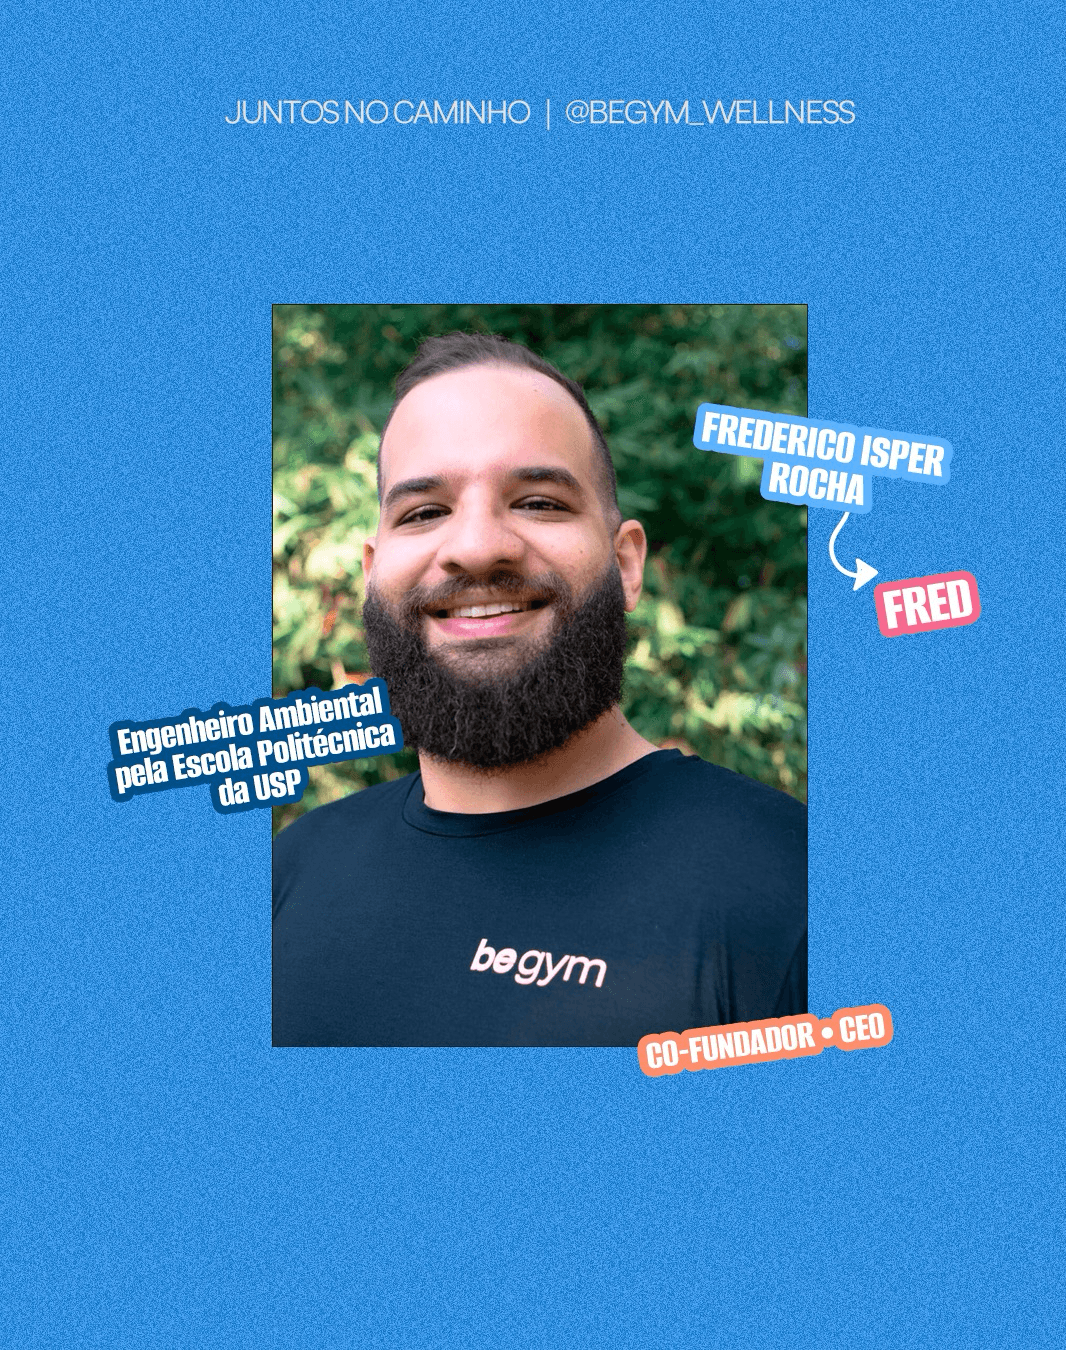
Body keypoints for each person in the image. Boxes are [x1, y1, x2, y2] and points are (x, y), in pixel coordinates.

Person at [273, 332, 807, 1047]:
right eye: (424, 512)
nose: (477, 546)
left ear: (626, 565)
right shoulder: (293, 871)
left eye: (538, 501)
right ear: (373, 569)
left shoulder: (796, 891)